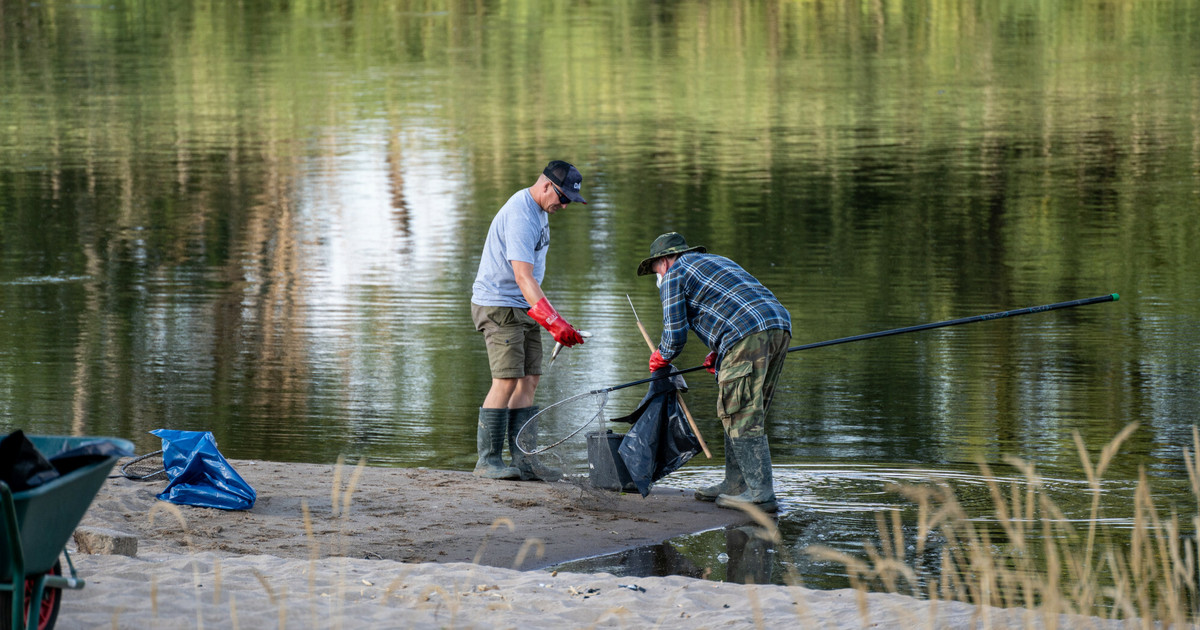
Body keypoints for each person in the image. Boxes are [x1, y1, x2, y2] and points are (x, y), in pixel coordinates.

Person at [637, 232, 791, 513]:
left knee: (739, 411)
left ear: (665, 260)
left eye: (655, 269)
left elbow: (674, 335)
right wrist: (721, 351)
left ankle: (759, 494)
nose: (656, 276)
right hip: (778, 326)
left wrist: (660, 357)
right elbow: (737, 305)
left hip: (747, 334)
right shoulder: (716, 261)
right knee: (745, 410)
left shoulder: (674, 274)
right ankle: (735, 486)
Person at [470, 160, 588, 481]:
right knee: (506, 380)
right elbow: (523, 276)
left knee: (530, 378)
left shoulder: (540, 211)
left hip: (523, 307)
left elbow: (530, 280)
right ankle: (488, 461)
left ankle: (524, 461)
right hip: (499, 305)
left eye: (569, 202)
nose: (564, 206)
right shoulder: (521, 214)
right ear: (547, 185)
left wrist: (554, 319)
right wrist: (553, 321)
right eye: (562, 198)